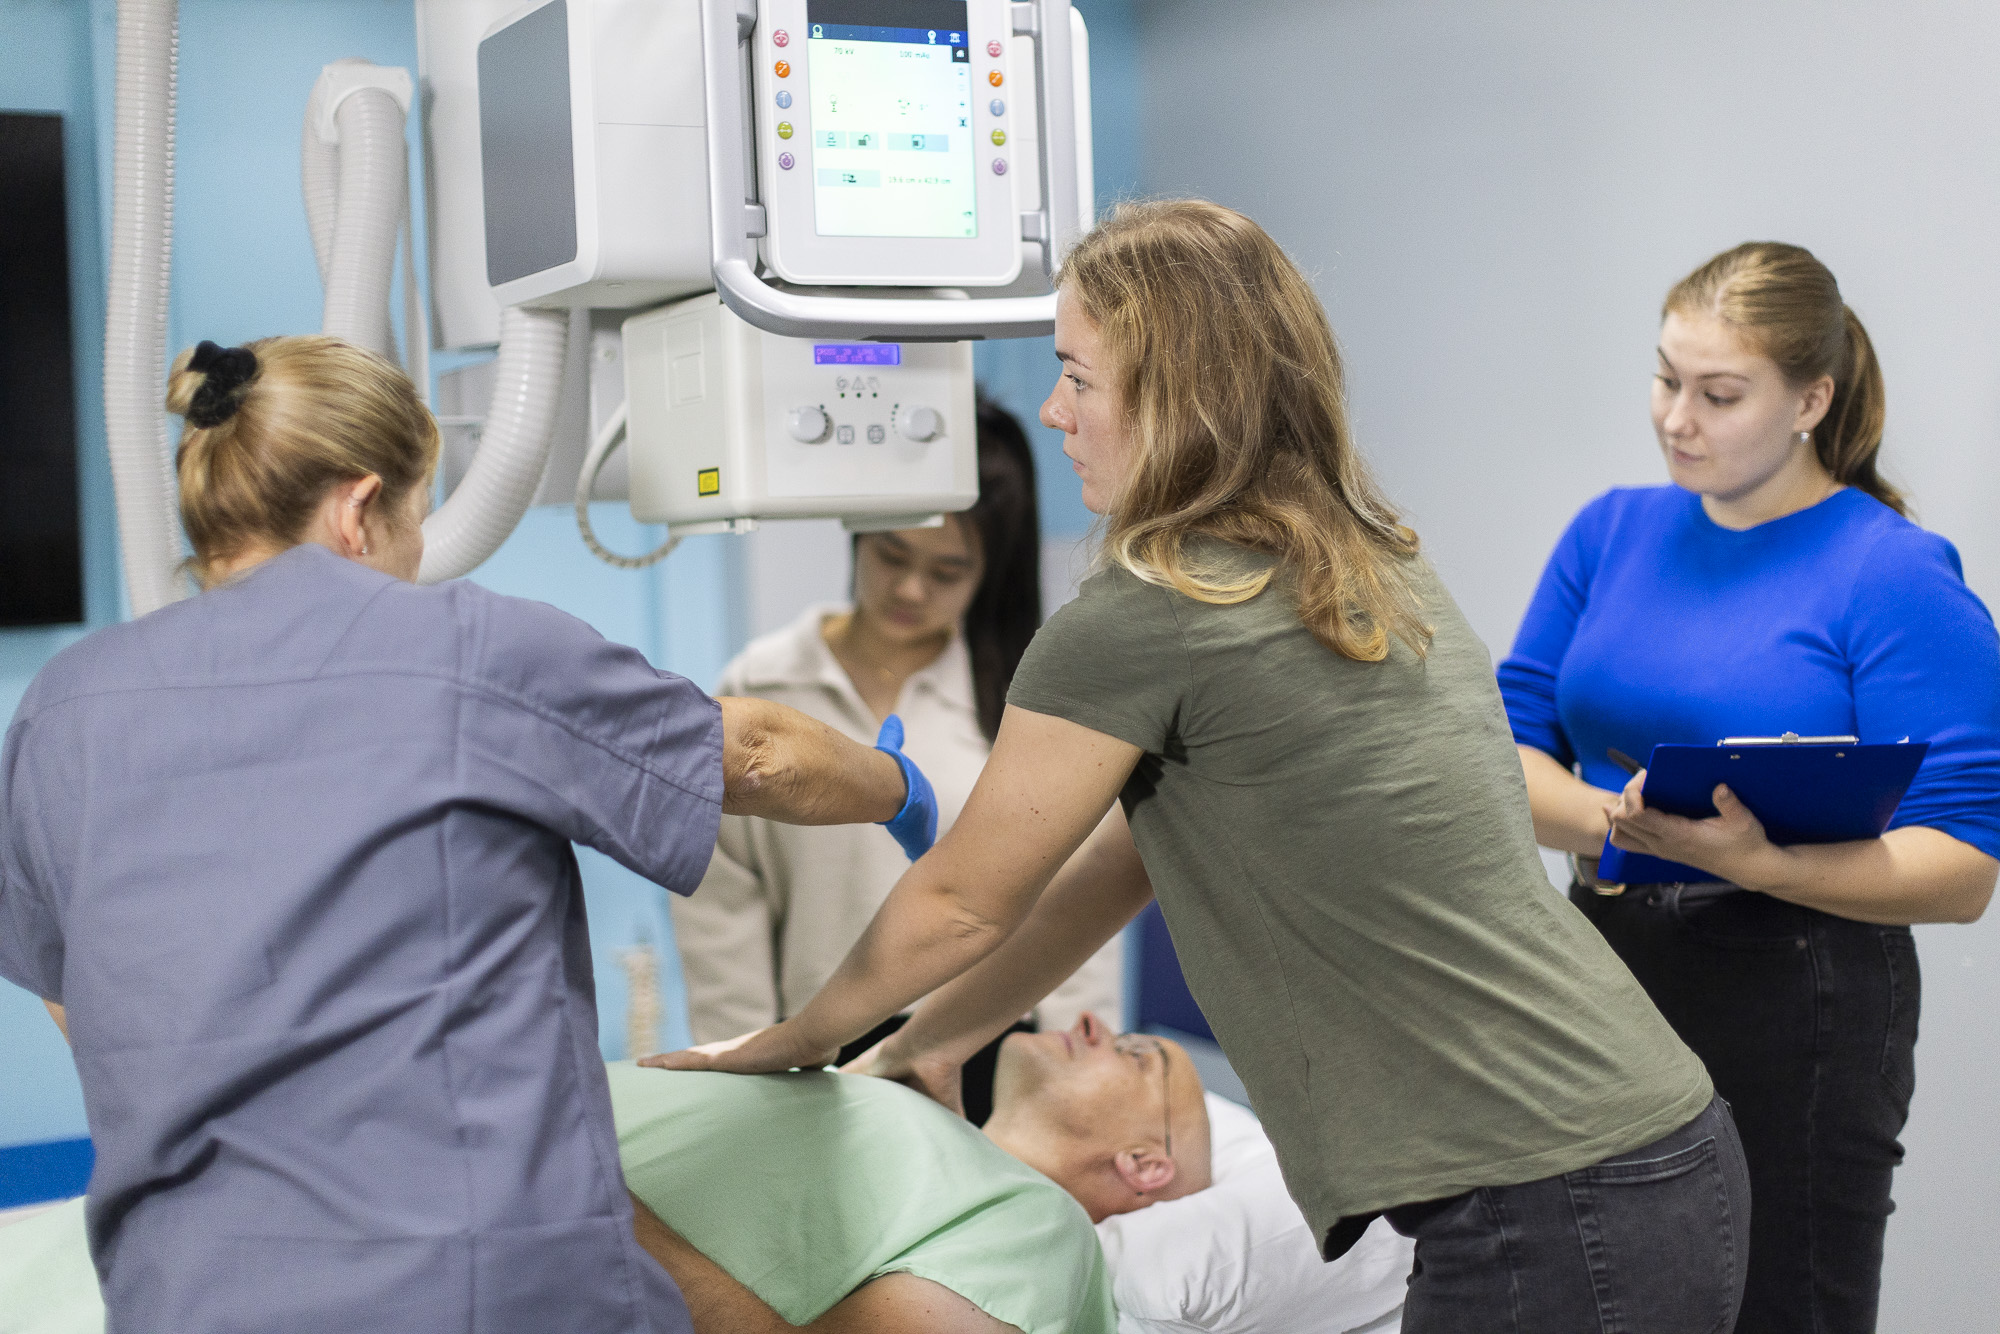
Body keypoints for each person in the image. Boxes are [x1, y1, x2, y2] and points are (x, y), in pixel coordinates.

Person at [652, 200, 1752, 1334]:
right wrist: (930, 1038)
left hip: (1549, 1201)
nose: (1052, 409)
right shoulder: (1357, 557)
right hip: (1654, 1150)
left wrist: (794, 1041)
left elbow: (959, 897)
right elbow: (1117, 863)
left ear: (1175, 394)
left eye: (1077, 376)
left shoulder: (1149, 611)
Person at [0, 337, 937, 1334]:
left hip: (186, 1297)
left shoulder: (62, 709)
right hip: (476, 1292)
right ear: (360, 509)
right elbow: (754, 752)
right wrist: (898, 785)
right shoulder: (462, 645)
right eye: (415, 517)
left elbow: (78, 998)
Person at [1498, 242, 2000, 1334]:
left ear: (1810, 398)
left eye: (1717, 393)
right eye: (1664, 378)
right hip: (1602, 958)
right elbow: (1501, 751)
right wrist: (1628, 824)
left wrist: (1757, 862)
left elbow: (1961, 866)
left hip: (1794, 985)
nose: (1676, 416)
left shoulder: (1892, 570)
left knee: (1778, 1303)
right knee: (1601, 1294)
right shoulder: (1609, 530)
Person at [0, 1012, 1211, 1334]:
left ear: (1142, 1165)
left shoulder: (1039, 1239)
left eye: (1141, 1054)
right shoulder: (906, 1120)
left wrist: (558, 1193)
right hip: (134, 1232)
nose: (1100, 1022)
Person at [668, 398, 1121, 1119]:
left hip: (990, 1047)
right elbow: (722, 905)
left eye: (947, 571)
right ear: (858, 535)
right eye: (892, 556)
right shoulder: (761, 691)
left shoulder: (1022, 703)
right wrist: (741, 1073)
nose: (911, 589)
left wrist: (1076, 1087)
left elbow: (1073, 897)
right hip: (819, 1054)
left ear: (990, 572)